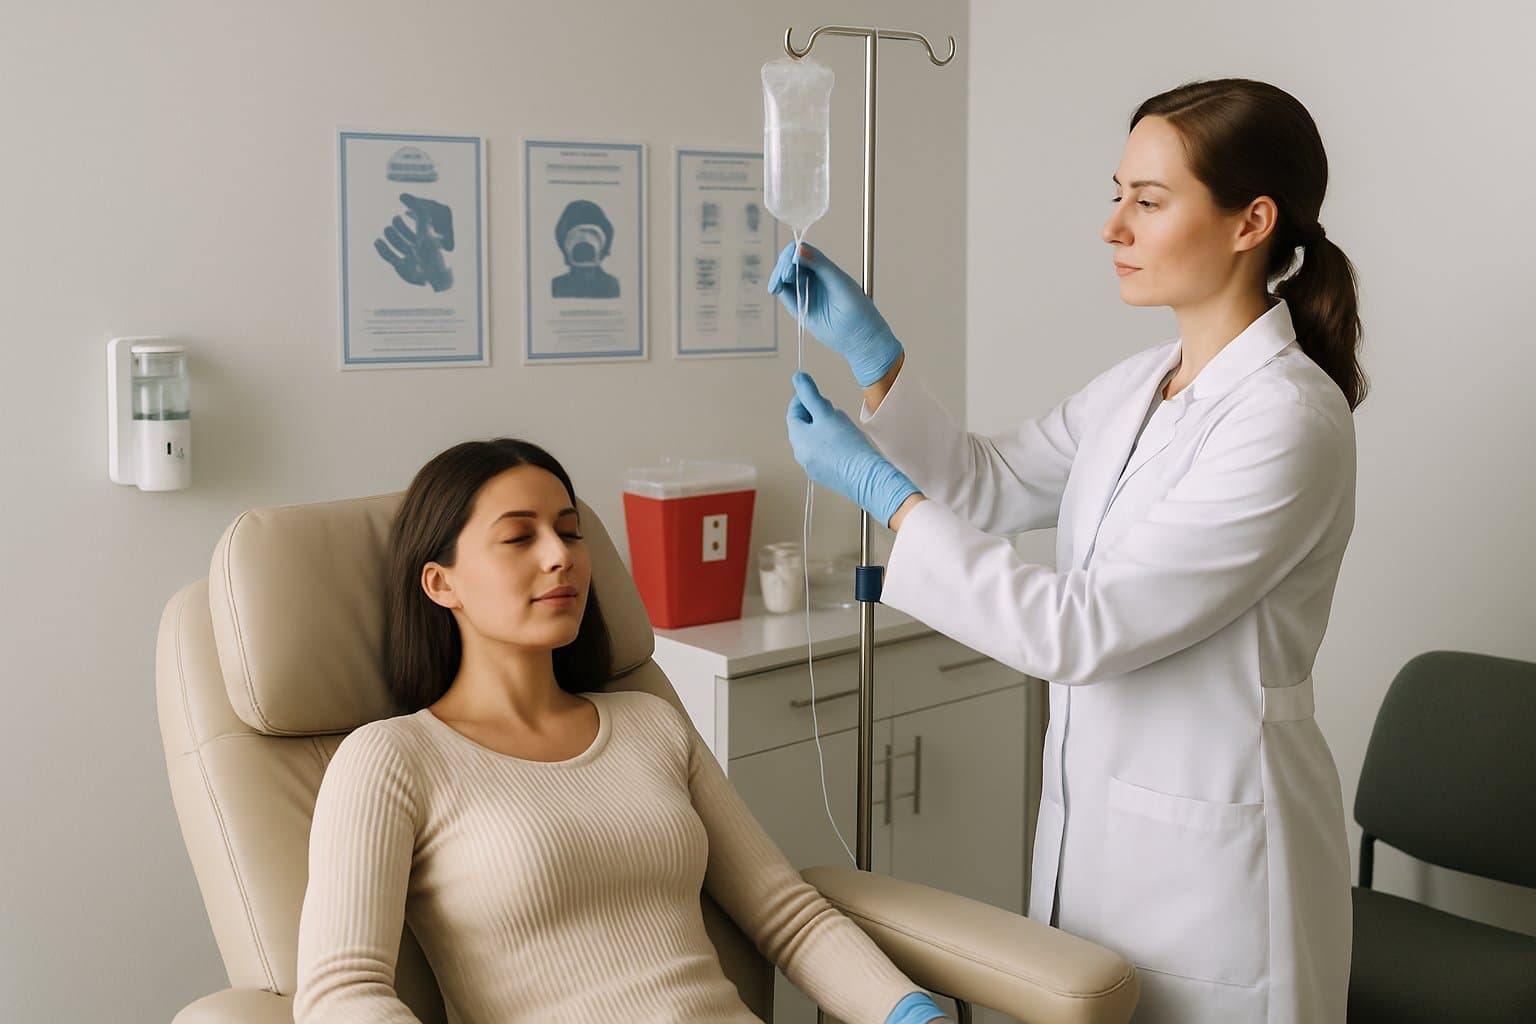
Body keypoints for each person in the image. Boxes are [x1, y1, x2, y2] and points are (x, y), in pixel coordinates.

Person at [772, 79, 1362, 1024]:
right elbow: (987, 481)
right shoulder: (1140, 385)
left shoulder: (1287, 421)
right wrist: (876, 360)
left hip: (1219, 878)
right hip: (1102, 845)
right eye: (1117, 194)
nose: (1113, 226)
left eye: (1149, 201)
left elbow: (1078, 631)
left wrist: (885, 495)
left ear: (1251, 222)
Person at [294, 438, 947, 1023]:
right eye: (519, 538)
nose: (561, 556)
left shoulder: (649, 724)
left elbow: (789, 916)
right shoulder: (393, 757)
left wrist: (911, 1015)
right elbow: (342, 994)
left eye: (570, 532)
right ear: (441, 584)